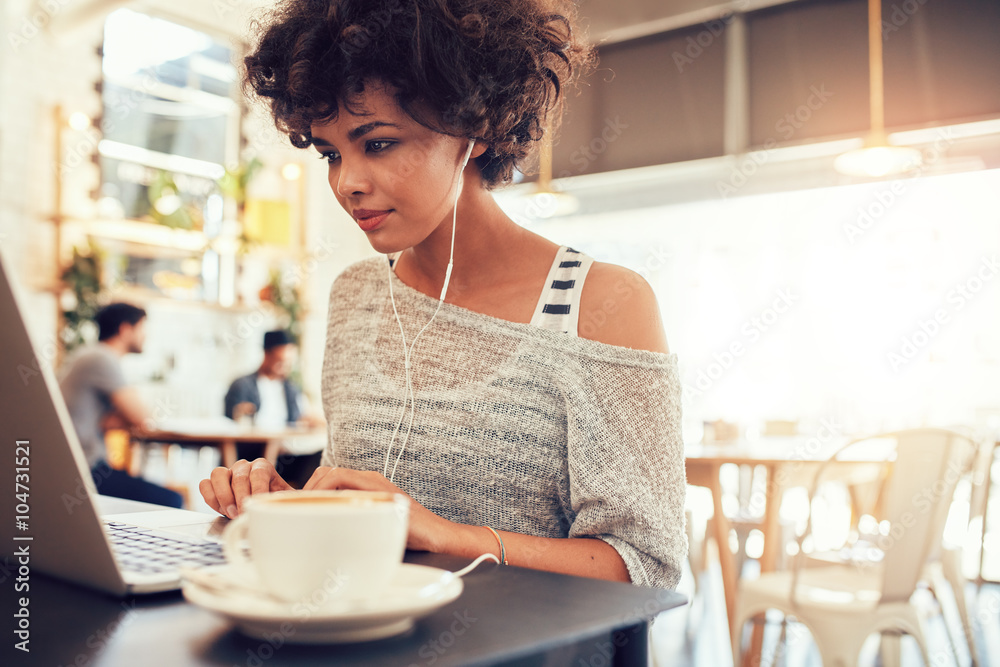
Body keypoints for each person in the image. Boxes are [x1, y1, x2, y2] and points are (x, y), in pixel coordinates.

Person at [200, 0, 686, 589]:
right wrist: (287, 507)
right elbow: (367, 514)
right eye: (330, 153)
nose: (346, 182)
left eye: (376, 143)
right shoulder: (357, 297)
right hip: (367, 638)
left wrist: (442, 533)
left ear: (475, 126)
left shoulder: (602, 303)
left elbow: (646, 566)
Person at [60, 303, 183, 508]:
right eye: (142, 328)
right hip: (84, 470)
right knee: (172, 499)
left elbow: (109, 421)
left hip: (77, 465)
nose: (146, 336)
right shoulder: (102, 359)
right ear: (126, 330)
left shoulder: (90, 355)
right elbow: (143, 418)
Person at [223, 330, 324, 485]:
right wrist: (242, 412)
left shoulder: (291, 388)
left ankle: (300, 502)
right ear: (266, 355)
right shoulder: (242, 385)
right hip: (252, 455)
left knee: (320, 458)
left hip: (284, 456)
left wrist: (309, 420)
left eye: (288, 363)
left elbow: (297, 417)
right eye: (279, 360)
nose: (283, 367)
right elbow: (230, 420)